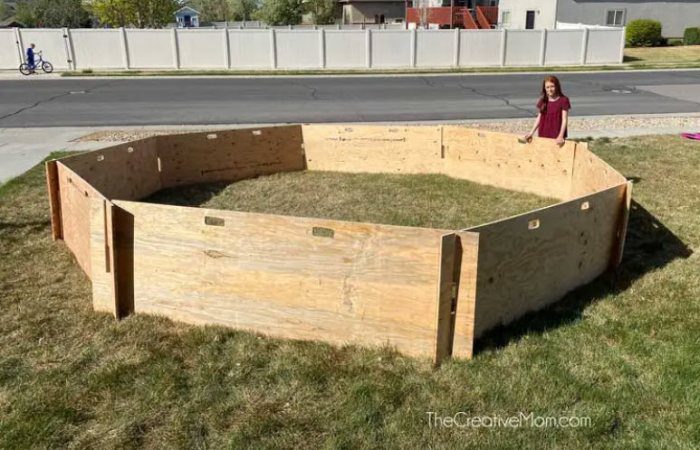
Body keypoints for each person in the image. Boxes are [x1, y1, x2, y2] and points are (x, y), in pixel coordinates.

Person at [522, 75, 571, 147]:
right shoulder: (543, 100)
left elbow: (564, 120)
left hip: (557, 136)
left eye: (552, 86)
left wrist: (560, 135)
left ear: (557, 86)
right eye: (547, 87)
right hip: (543, 134)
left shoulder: (563, 100)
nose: (550, 89)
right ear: (544, 88)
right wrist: (531, 133)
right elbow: (539, 118)